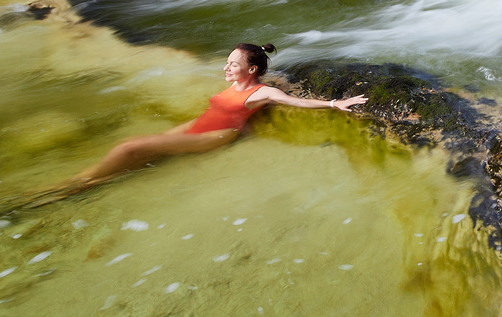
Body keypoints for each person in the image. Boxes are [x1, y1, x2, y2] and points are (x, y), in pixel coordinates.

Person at [23, 43, 367, 206]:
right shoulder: (239, 84)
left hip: (217, 135)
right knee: (144, 150)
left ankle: (79, 186)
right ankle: (81, 180)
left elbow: (295, 101)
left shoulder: (262, 92)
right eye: (227, 62)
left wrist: (336, 103)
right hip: (200, 124)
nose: (226, 68)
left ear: (251, 70)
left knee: (128, 147)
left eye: (233, 64)